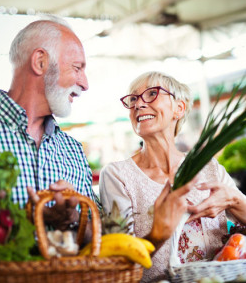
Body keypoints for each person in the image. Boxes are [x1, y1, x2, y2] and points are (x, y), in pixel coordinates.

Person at [0, 17, 100, 282]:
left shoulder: (72, 149)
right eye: (77, 68)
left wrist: (71, 218)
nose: (85, 83)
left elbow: (98, 236)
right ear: (40, 62)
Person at [99, 71, 246, 282]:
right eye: (133, 99)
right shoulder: (117, 175)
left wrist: (235, 200)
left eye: (151, 94)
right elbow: (120, 264)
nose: (138, 105)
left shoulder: (208, 166)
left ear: (179, 108)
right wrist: (158, 234)